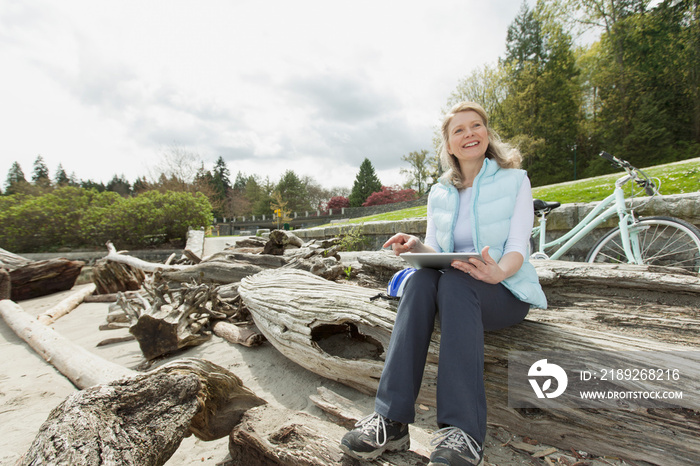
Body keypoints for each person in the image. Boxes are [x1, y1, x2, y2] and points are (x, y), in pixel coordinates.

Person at [340, 101, 547, 466]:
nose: (470, 133)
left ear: (487, 133)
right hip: (455, 285)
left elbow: (518, 248)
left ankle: (463, 432)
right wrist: (417, 247)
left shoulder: (516, 180)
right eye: (459, 130)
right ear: (449, 145)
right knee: (420, 281)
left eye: (476, 125)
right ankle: (391, 419)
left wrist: (497, 272)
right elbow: (440, 250)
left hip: (504, 288)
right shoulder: (440, 191)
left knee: (454, 285)